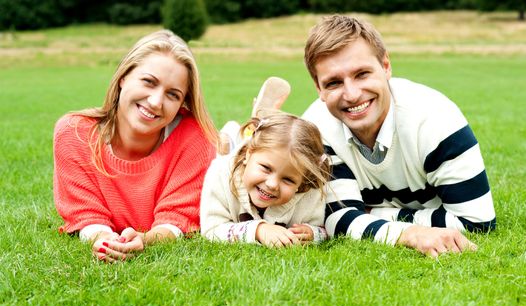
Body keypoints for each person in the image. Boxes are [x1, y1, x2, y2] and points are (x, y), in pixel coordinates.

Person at [302, 15, 496, 257]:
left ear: (385, 67)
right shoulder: (314, 129)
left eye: (362, 74)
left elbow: (477, 223)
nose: (351, 95)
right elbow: (338, 219)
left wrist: (374, 214)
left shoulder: (435, 118)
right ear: (319, 89)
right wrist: (410, 233)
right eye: (333, 83)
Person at [53, 30, 217, 262]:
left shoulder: (196, 138)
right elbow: (85, 213)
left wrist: (146, 239)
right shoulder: (73, 134)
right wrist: (103, 238)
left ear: (182, 103)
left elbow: (177, 217)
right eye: (149, 82)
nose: (155, 102)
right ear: (124, 77)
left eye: (173, 94)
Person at [200, 111, 331, 247]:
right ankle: (232, 135)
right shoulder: (220, 173)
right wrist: (259, 230)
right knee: (222, 146)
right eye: (266, 168)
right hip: (230, 154)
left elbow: (323, 229)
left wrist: (312, 233)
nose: (272, 184)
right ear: (249, 154)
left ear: (303, 181)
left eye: (288, 180)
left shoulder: (310, 188)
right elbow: (211, 230)